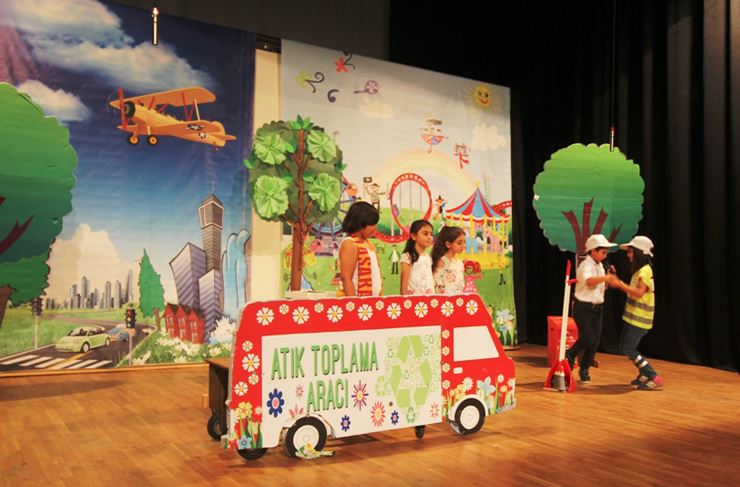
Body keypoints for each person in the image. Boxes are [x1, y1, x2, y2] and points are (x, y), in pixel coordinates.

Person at [611, 236, 663, 389]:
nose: (628, 255)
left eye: (631, 251)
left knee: (628, 347)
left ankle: (653, 375)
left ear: (639, 253)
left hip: (640, 319)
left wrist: (619, 284)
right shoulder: (640, 271)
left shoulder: (645, 271)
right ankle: (644, 373)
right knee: (624, 346)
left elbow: (640, 292)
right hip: (633, 317)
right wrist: (616, 279)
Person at [565, 234, 618, 384]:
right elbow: (589, 281)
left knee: (595, 342)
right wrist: (605, 278)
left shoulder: (600, 265)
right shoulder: (585, 265)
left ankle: (584, 370)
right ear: (594, 251)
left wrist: (608, 278)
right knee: (588, 337)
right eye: (603, 252)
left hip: (597, 308)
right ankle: (570, 354)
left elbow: (601, 286)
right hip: (583, 307)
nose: (605, 256)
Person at [336, 201, 383, 297]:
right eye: (372, 224)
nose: (375, 227)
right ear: (361, 223)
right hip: (357, 302)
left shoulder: (366, 242)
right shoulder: (350, 243)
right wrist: (354, 303)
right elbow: (346, 278)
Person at [400, 220, 434, 295]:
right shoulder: (407, 256)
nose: (429, 237)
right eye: (425, 234)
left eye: (431, 234)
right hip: (414, 299)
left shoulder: (428, 257)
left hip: (429, 298)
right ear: (414, 236)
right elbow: (404, 285)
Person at [431, 225, 466, 294]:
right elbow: (434, 285)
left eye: (464, 242)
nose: (463, 246)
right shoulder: (442, 262)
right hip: (444, 299)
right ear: (448, 244)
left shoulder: (459, 263)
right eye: (459, 243)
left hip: (458, 299)